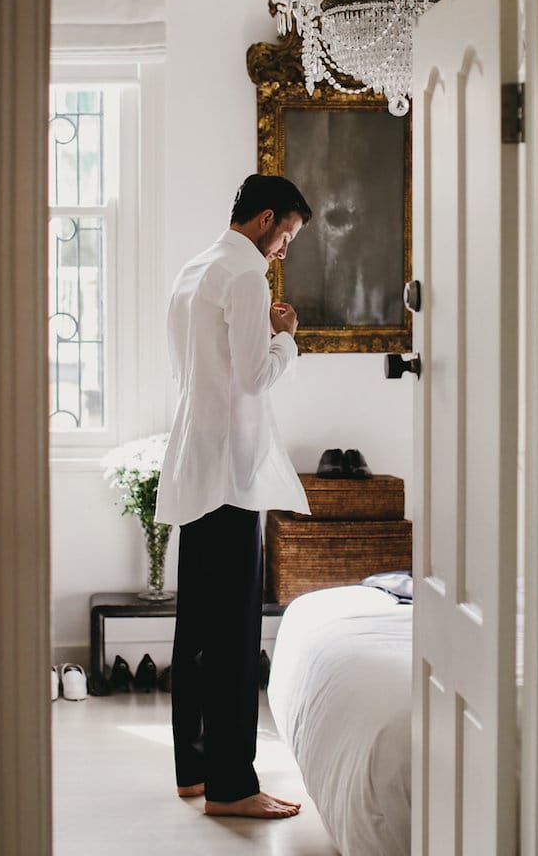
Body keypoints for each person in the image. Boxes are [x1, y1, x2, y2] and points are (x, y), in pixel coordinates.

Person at [154, 173, 313, 820]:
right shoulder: (246, 275)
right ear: (266, 218)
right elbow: (254, 376)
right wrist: (287, 337)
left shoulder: (194, 269)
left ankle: (193, 768)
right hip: (231, 472)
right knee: (233, 630)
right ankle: (231, 785)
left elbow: (188, 369)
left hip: (195, 460)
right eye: (287, 236)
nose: (284, 250)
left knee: (196, 623)